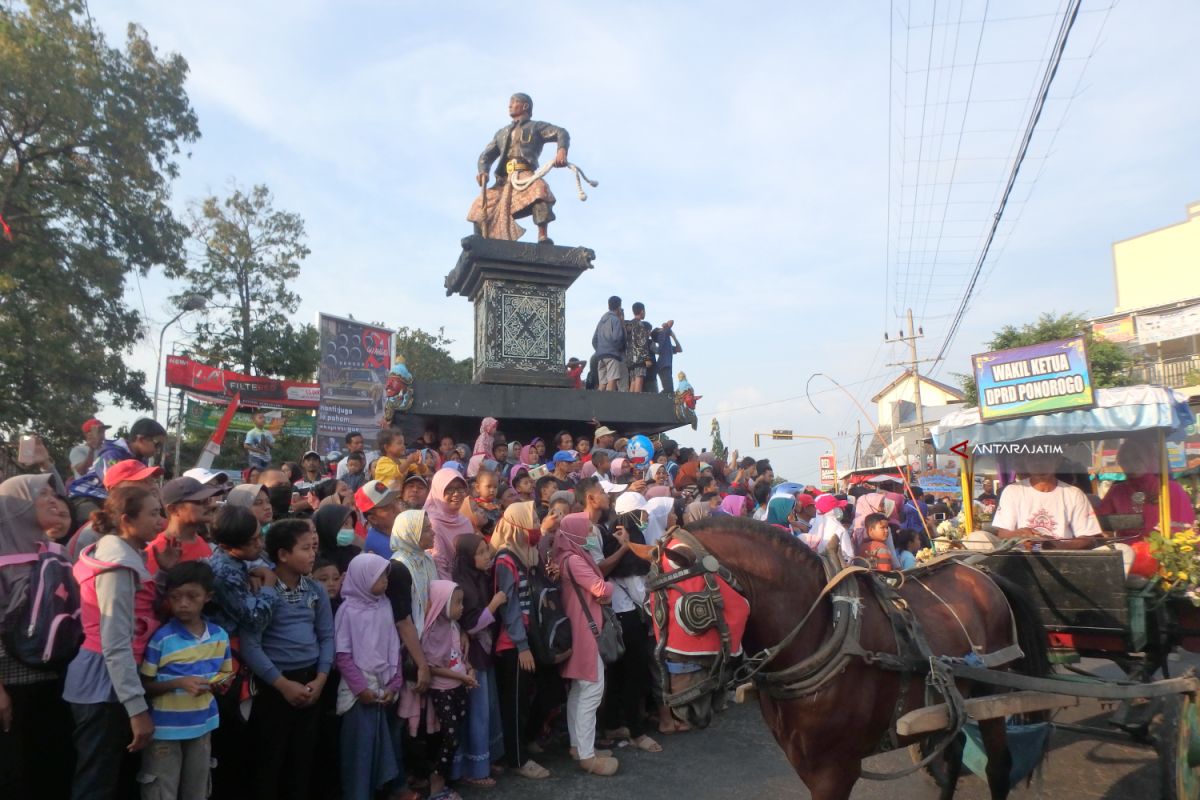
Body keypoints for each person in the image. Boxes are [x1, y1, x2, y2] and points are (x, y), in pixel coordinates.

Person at [65, 484, 175, 800]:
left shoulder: (117, 553)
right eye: (154, 514)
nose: (161, 521)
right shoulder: (117, 566)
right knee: (97, 782)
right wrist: (137, 709)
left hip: (106, 680)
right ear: (127, 520)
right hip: (104, 684)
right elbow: (115, 643)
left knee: (106, 776)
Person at [240, 519, 333, 800]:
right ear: (283, 554)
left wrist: (320, 679)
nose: (312, 554)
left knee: (303, 759)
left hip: (311, 682)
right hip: (274, 684)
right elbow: (251, 645)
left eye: (313, 547)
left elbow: (327, 636)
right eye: (305, 548)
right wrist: (282, 684)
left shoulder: (315, 590)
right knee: (270, 760)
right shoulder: (261, 590)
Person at [0, 474, 74, 800]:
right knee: (16, 774)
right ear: (17, 507)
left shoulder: (52, 553)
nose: (54, 499)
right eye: (41, 494)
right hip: (10, 689)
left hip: (53, 682)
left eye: (54, 492)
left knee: (51, 770)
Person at [137, 561, 232, 800]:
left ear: (207, 597)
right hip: (165, 729)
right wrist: (178, 683)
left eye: (192, 597)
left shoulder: (219, 636)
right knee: (162, 788)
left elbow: (225, 673)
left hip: (203, 724)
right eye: (176, 597)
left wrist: (218, 684)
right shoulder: (162, 638)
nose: (183, 604)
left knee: (197, 788)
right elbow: (145, 685)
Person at [333, 554, 411, 800]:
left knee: (379, 749)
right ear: (363, 578)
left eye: (386, 575)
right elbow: (343, 655)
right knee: (360, 752)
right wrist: (361, 689)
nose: (385, 581)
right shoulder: (348, 611)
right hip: (361, 692)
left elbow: (393, 646)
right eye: (379, 576)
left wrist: (394, 682)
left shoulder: (384, 604)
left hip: (384, 686)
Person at [490, 502, 555, 780]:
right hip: (512, 644)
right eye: (530, 523)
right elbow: (510, 607)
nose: (535, 529)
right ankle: (517, 758)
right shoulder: (505, 559)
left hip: (527, 636)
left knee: (532, 697)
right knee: (515, 704)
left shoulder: (524, 555)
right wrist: (522, 647)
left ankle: (525, 743)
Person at [555, 513, 618, 776]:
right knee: (592, 689)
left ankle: (578, 746)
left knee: (581, 691)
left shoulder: (568, 556)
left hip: (582, 628)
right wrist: (611, 589)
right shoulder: (574, 560)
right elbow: (600, 589)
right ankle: (587, 756)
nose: (591, 530)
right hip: (586, 631)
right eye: (587, 527)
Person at [601, 493, 661, 754]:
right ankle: (636, 731)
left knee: (617, 675)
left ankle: (613, 724)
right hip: (629, 618)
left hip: (618, 617)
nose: (646, 517)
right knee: (633, 676)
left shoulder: (616, 537)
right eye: (642, 512)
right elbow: (639, 589)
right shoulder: (627, 540)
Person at [468, 93, 570, 244]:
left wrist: (561, 151)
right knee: (480, 203)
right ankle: (480, 240)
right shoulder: (501, 133)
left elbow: (561, 132)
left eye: (514, 102)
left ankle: (542, 235)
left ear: (525, 106)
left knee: (540, 190)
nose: (509, 105)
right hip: (504, 179)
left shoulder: (536, 126)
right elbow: (486, 156)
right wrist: (483, 171)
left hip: (525, 174)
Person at [450, 534, 507, 787]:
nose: (487, 556)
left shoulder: (481, 578)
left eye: (487, 551)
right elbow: (470, 624)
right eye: (481, 552)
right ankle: (474, 767)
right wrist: (493, 605)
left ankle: (488, 758)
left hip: (485, 652)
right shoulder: (461, 584)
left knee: (489, 707)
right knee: (477, 712)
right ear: (467, 557)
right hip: (472, 654)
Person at [413, 581, 476, 800]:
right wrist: (461, 676)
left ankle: (444, 781)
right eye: (456, 603)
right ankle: (436, 780)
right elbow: (432, 667)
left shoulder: (452, 626)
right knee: (450, 737)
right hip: (443, 690)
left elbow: (457, 656)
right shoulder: (431, 632)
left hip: (459, 686)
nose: (461, 607)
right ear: (442, 604)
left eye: (461, 602)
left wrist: (469, 669)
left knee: (455, 732)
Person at [68, 417, 167, 526]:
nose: (159, 449)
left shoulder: (141, 458)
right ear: (141, 439)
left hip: (106, 498)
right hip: (87, 495)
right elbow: (118, 490)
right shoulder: (112, 454)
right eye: (157, 444)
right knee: (95, 526)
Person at [991, 452, 1103, 545]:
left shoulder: (1074, 494)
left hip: (1063, 560)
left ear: (1057, 460)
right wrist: (1019, 535)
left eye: (1044, 456)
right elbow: (1003, 533)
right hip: (1020, 559)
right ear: (1026, 461)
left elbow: (1087, 537)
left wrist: (1060, 547)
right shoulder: (1012, 491)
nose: (1038, 462)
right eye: (1032, 457)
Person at [1097, 437, 1196, 538]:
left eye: (1137, 458)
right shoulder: (1117, 492)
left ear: (1149, 459)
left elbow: (1185, 530)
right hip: (1127, 551)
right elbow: (1099, 525)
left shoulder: (1170, 488)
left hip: (1162, 550)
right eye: (1125, 461)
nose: (1131, 465)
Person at [145, 477, 220, 575]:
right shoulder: (157, 551)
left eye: (208, 500)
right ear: (173, 509)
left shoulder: (202, 543)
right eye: (200, 501)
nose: (210, 506)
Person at [426, 469, 476, 580]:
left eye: (460, 488)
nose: (456, 494)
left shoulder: (465, 521)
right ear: (438, 491)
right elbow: (439, 566)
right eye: (449, 489)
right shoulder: (431, 524)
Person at [356, 481, 401, 559]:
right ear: (373, 519)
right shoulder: (379, 544)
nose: (396, 508)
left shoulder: (394, 533)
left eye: (394, 501)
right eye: (387, 507)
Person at [313, 504, 362, 573]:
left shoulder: (357, 553)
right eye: (346, 524)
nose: (351, 530)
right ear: (330, 525)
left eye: (352, 525)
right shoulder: (313, 561)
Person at [592, 296, 626, 392]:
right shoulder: (615, 320)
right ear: (619, 307)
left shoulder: (601, 321)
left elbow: (594, 340)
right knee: (612, 380)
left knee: (602, 384)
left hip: (600, 356)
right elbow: (617, 338)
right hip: (612, 355)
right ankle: (608, 404)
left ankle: (597, 404)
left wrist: (599, 350)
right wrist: (618, 349)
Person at [623, 302, 653, 394]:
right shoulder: (640, 325)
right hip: (639, 359)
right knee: (639, 381)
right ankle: (636, 402)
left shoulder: (629, 324)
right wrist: (647, 359)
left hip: (629, 358)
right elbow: (642, 343)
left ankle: (630, 402)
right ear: (642, 311)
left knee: (632, 381)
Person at [649, 321, 681, 394]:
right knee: (669, 390)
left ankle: (657, 399)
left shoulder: (666, 345)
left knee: (669, 390)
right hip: (664, 366)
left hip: (664, 366)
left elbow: (679, 349)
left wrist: (673, 336)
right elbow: (671, 322)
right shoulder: (662, 335)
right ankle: (656, 399)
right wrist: (665, 327)